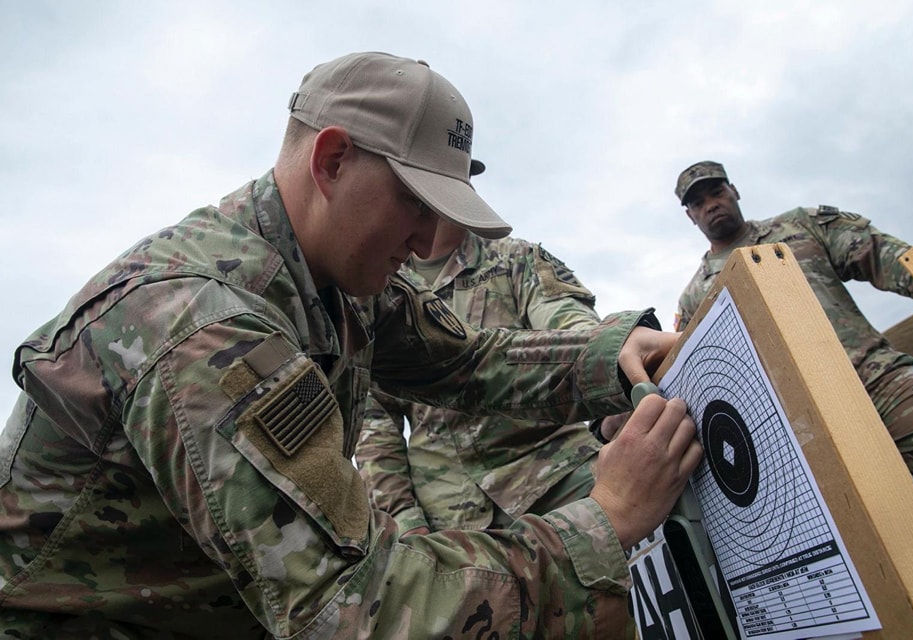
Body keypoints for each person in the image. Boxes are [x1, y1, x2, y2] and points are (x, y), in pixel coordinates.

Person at [0, 52, 702, 638]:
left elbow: (464, 362)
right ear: (332, 160)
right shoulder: (206, 329)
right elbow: (355, 610)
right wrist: (607, 518)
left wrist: (605, 355)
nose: (430, 243)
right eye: (416, 205)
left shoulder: (336, 280)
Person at [672, 160, 913, 498]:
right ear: (691, 216)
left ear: (733, 190)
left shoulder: (800, 226)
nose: (711, 205)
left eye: (716, 192)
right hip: (804, 433)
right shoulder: (695, 298)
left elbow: (885, 256)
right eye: (698, 203)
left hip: (879, 384)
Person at [356, 216, 607, 536]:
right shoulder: (381, 290)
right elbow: (374, 422)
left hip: (557, 479)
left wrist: (609, 368)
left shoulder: (520, 260)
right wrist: (404, 520)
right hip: (449, 522)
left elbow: (576, 333)